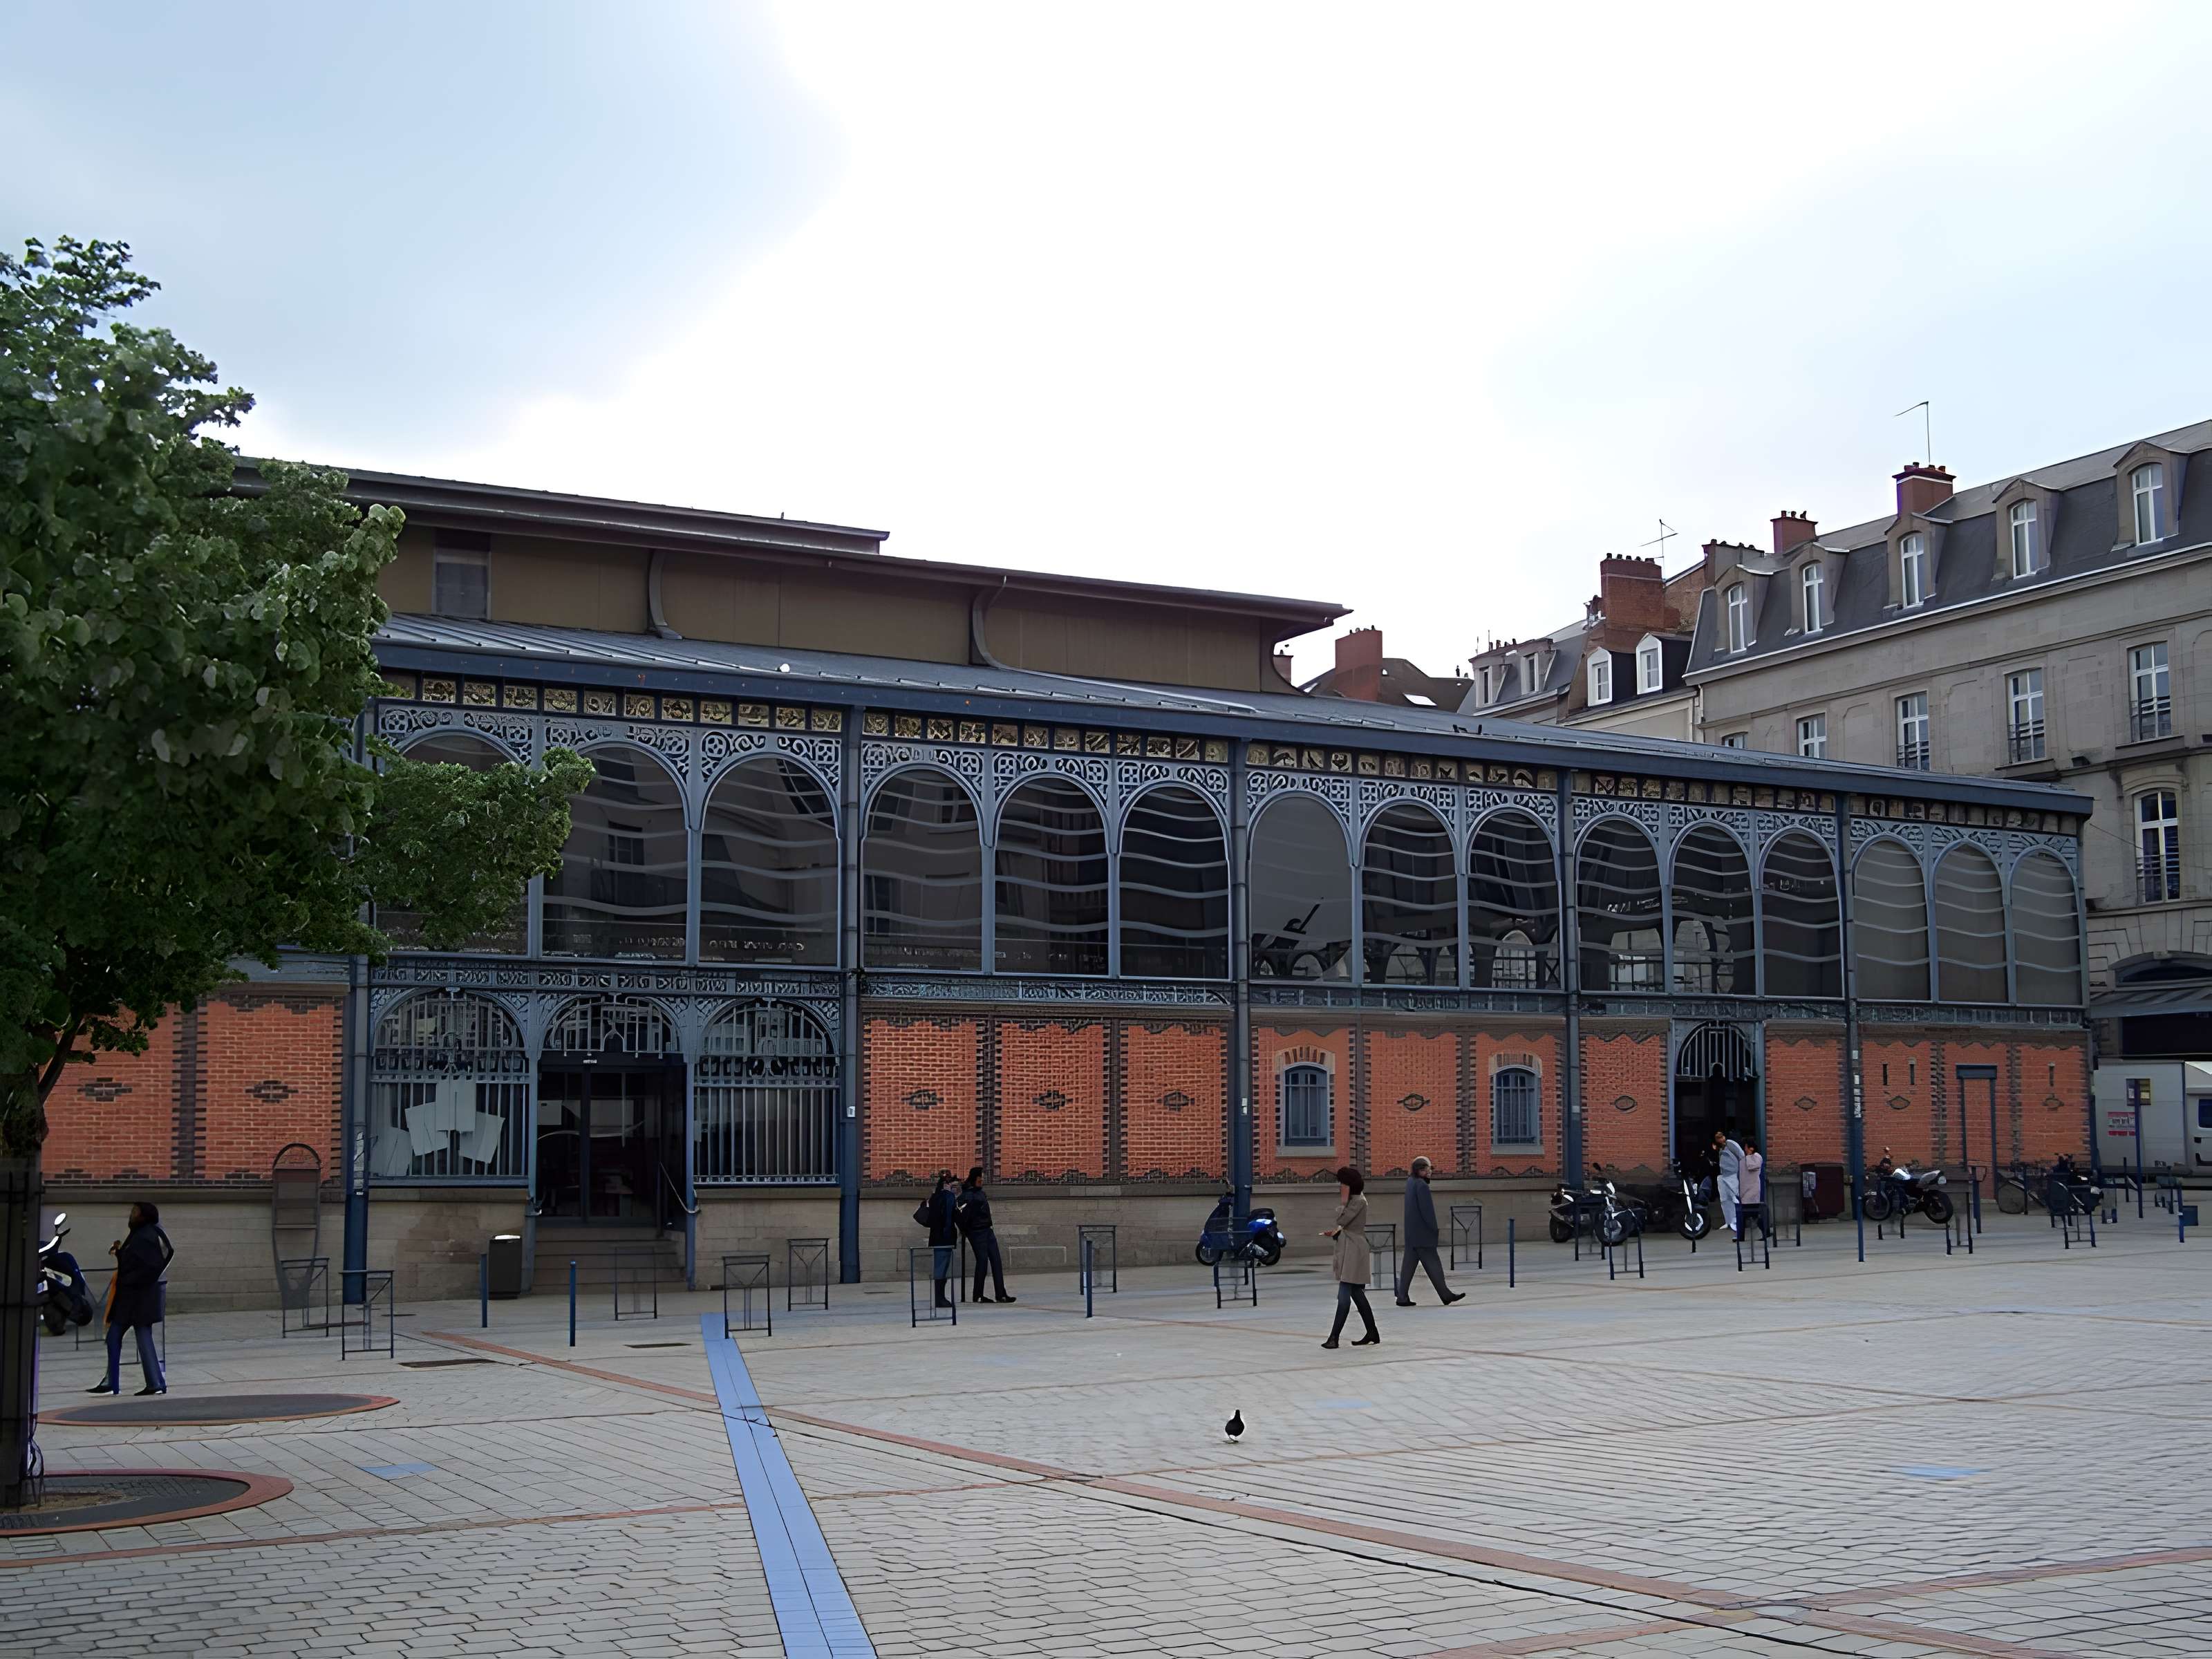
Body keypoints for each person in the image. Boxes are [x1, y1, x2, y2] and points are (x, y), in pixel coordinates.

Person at [89, 1201, 171, 1396]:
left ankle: (150, 1383)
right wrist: (120, 1254)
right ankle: (127, 1381)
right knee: (123, 1337)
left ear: (144, 1216)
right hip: (133, 1299)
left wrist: (129, 1280)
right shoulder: (142, 1234)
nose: (132, 1215)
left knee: (131, 1337)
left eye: (135, 1212)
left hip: (136, 1299)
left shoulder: (145, 1236)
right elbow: (136, 1262)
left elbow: (149, 1267)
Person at [1320, 1165, 1379, 1349]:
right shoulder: (1356, 1200)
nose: (1340, 1187)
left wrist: (1343, 1201)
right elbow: (1345, 1226)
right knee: (1356, 1293)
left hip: (1354, 1250)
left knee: (1345, 1293)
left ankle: (1334, 1337)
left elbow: (1342, 1220)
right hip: (1350, 1247)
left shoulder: (1357, 1201)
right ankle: (1372, 1332)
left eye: (1342, 1184)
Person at [1394, 1156, 1465, 1308]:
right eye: (1427, 1169)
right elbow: (1427, 1212)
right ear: (1420, 1171)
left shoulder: (1410, 1182)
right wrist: (1434, 1229)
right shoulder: (1422, 1186)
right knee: (1434, 1264)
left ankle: (1402, 1296)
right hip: (1423, 1234)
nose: (1430, 1172)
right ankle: (1446, 1295)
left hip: (1412, 1233)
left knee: (1408, 1266)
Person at [956, 1166, 1014, 1303]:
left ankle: (1001, 1294)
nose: (982, 1180)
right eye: (980, 1177)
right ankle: (978, 1294)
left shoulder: (981, 1193)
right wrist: (966, 1229)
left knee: (996, 1261)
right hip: (976, 1232)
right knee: (982, 1261)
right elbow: (961, 1215)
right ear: (975, 1178)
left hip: (987, 1229)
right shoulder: (966, 1195)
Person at [918, 1172, 961, 1308]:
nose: (955, 1188)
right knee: (942, 1268)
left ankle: (939, 1297)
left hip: (936, 1237)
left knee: (939, 1268)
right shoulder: (948, 1197)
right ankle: (940, 1298)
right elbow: (949, 1218)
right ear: (946, 1185)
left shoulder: (935, 1196)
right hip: (945, 1238)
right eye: (953, 1185)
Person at [1714, 1128, 1745, 1239]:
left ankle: (1737, 1224)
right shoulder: (1721, 1148)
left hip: (1732, 1174)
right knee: (1725, 1199)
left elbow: (1741, 1156)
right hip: (1724, 1175)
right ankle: (1730, 1222)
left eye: (1720, 1137)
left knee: (1734, 1198)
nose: (1720, 1140)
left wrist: (1741, 1172)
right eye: (1718, 1138)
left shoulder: (1730, 1144)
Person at [1738, 1139, 1767, 1243]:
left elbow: (1752, 1166)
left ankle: (1765, 1233)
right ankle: (1741, 1237)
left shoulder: (1757, 1157)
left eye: (1746, 1147)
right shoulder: (1743, 1160)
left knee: (1754, 1213)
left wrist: (1749, 1155)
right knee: (1745, 1215)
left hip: (1753, 1191)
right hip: (1745, 1191)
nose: (1745, 1149)